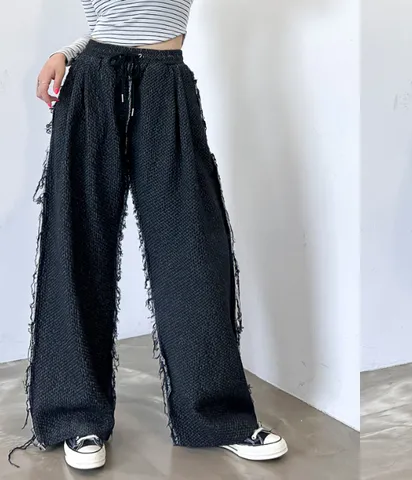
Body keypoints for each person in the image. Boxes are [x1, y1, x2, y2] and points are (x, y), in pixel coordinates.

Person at [9, 0, 287, 471]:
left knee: (192, 250)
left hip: (166, 83)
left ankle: (218, 416)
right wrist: (68, 51)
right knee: (78, 248)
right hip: (92, 82)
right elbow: (111, 23)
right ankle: (76, 416)